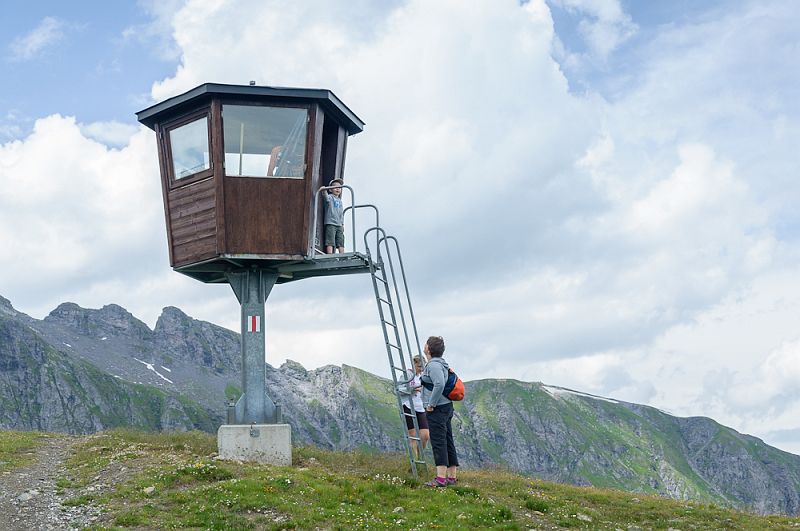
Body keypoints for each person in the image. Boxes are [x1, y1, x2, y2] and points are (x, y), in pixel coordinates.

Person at [421, 335, 459, 487]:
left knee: (438, 441)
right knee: (447, 440)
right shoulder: (442, 364)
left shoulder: (433, 365)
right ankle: (451, 477)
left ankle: (441, 479)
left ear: (429, 349)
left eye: (426, 344)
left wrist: (431, 404)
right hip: (446, 406)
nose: (424, 346)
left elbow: (439, 384)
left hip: (438, 408)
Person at [402, 356, 430, 459]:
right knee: (413, 435)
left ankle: (420, 457)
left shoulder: (423, 377)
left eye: (423, 367)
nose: (421, 369)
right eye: (419, 366)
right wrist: (413, 389)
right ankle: (415, 460)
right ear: (414, 365)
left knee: (425, 435)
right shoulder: (407, 374)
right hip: (408, 405)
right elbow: (399, 389)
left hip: (420, 407)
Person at [322, 178, 345, 254]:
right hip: (331, 222)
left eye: (339, 187)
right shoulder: (330, 197)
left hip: (339, 224)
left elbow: (341, 213)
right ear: (330, 189)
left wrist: (342, 224)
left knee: (340, 240)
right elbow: (325, 197)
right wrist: (324, 190)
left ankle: (342, 255)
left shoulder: (340, 201)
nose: (338, 189)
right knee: (330, 240)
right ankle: (330, 254)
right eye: (335, 187)